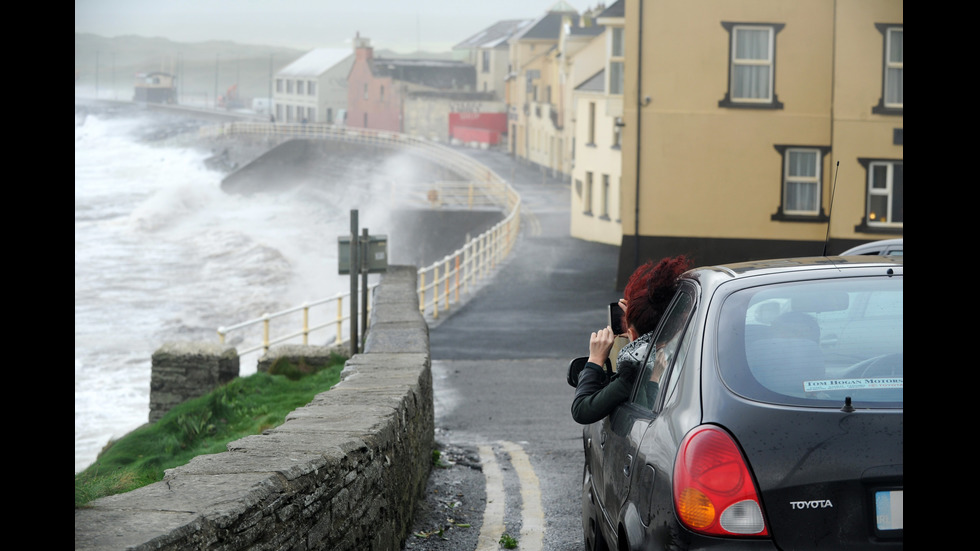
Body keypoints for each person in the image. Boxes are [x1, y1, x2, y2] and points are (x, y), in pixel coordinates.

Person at [570, 255, 692, 424]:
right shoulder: (684, 349)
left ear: (632, 335)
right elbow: (649, 406)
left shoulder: (632, 375)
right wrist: (654, 379)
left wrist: (595, 360)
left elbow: (581, 411)